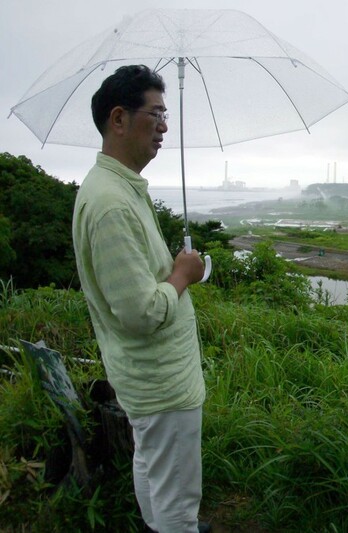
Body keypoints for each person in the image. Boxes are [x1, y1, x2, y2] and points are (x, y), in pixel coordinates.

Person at [72, 65, 210, 533]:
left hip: (149, 381)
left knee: (152, 468)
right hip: (161, 383)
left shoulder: (120, 188)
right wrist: (182, 275)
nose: (165, 126)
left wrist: (172, 273)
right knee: (178, 504)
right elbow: (140, 312)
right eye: (156, 114)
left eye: (166, 114)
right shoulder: (111, 203)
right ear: (118, 119)